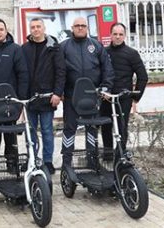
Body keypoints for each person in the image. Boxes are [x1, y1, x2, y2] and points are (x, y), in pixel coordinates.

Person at [60, 17, 114, 168]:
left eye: (83, 26)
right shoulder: (63, 46)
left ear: (87, 28)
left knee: (91, 127)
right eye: (77, 26)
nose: (80, 28)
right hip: (71, 96)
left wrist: (106, 87)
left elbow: (107, 69)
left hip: (92, 96)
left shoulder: (96, 46)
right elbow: (59, 72)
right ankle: (66, 162)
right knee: (69, 128)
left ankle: (92, 160)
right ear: (72, 28)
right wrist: (60, 91)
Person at [0, 19, 29, 171]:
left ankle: (12, 161)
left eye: (1, 29)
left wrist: (20, 99)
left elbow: (22, 74)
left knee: (10, 131)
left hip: (11, 100)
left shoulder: (16, 49)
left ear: (6, 30)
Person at [21, 18, 65, 173]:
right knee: (30, 132)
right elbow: (21, 73)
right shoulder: (25, 48)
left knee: (47, 130)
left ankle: (47, 161)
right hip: (30, 98)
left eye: (38, 26)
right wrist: (22, 98)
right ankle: (32, 159)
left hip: (48, 97)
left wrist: (58, 93)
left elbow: (61, 72)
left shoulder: (54, 47)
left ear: (44, 28)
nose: (36, 29)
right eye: (33, 27)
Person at [101, 23, 148, 156]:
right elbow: (98, 73)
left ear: (125, 36)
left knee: (122, 126)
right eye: (115, 34)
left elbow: (143, 76)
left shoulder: (132, 54)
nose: (117, 37)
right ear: (110, 35)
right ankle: (108, 153)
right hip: (106, 96)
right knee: (105, 125)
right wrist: (101, 92)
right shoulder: (104, 52)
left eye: (120, 34)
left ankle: (120, 154)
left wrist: (135, 97)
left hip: (124, 97)